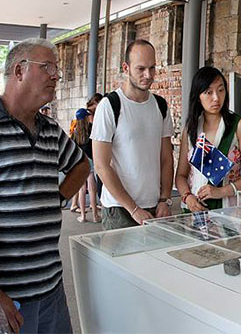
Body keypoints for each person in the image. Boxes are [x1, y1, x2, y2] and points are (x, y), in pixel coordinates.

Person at [0, 38, 89, 334]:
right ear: (19, 71)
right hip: (9, 297)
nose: (55, 75)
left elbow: (81, 165)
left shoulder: (50, 130)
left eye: (57, 70)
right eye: (47, 67)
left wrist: (59, 197)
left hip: (51, 287)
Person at [91, 39, 174, 230]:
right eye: (141, 69)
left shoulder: (160, 106)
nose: (148, 75)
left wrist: (165, 199)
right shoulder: (109, 105)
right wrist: (133, 209)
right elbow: (101, 165)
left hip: (155, 206)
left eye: (152, 68)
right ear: (126, 67)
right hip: (119, 209)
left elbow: (166, 158)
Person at [175, 66, 241, 212]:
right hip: (194, 210)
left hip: (228, 209)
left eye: (221, 90)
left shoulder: (238, 126)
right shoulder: (191, 130)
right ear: (198, 96)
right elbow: (181, 175)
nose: (216, 98)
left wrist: (221, 191)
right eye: (209, 92)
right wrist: (187, 197)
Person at [71, 108, 101, 223]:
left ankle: (83, 216)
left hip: (80, 161)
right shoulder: (91, 128)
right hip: (91, 160)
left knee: (81, 189)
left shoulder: (75, 132)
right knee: (92, 189)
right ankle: (95, 216)